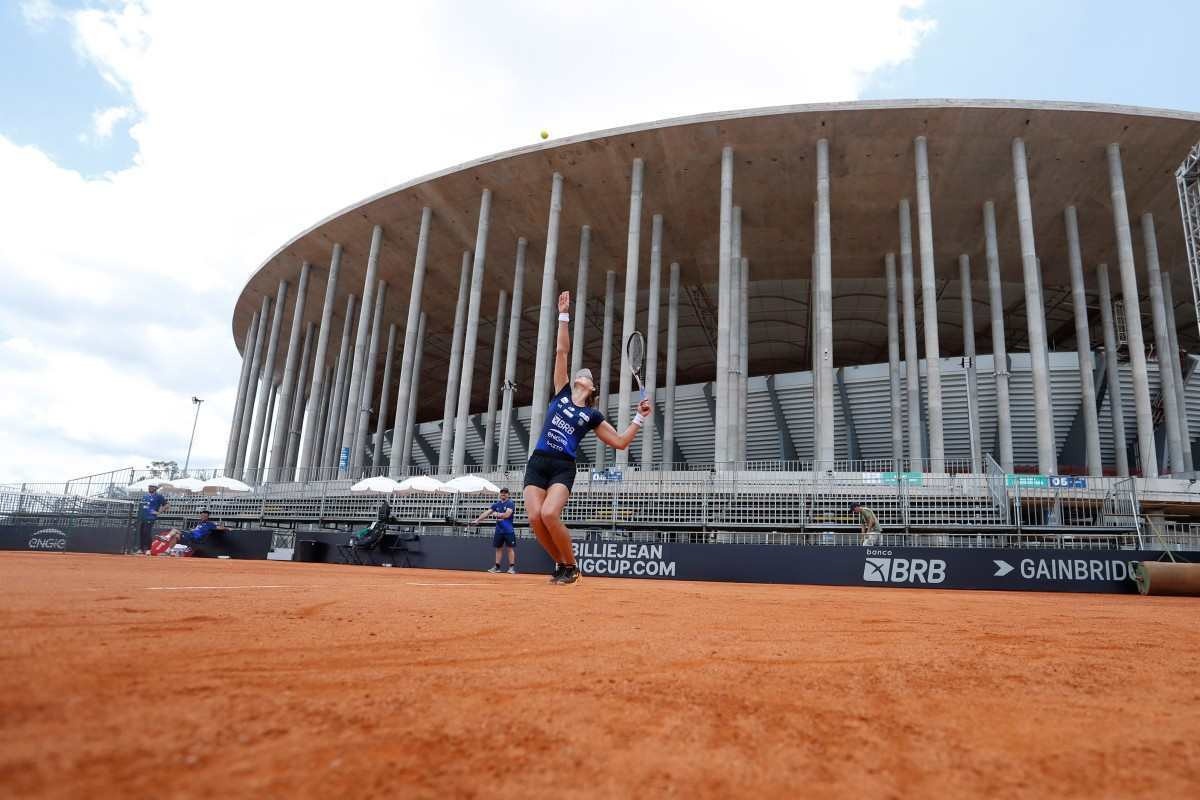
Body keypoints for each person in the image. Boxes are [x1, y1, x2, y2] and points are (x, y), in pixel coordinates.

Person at [524, 291, 651, 585]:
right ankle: (561, 564)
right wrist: (563, 315)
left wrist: (640, 417)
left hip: (563, 466)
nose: (583, 375)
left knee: (550, 514)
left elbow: (620, 442)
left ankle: (573, 566)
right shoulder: (562, 392)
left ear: (592, 389)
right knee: (534, 518)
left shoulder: (592, 416)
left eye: (588, 376)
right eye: (581, 373)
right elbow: (562, 352)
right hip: (538, 461)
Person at [473, 488, 517, 573]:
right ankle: (497, 567)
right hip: (499, 530)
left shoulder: (510, 503)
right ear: (500, 494)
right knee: (498, 548)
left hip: (508, 530)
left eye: (505, 493)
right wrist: (478, 520)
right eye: (502, 493)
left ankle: (511, 568)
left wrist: (496, 514)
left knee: (510, 549)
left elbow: (507, 515)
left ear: (508, 494)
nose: (503, 494)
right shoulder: (496, 504)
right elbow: (487, 513)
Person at [151, 510, 228, 556]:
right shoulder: (199, 523)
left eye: (205, 516)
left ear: (208, 517)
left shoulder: (210, 524)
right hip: (190, 535)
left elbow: (219, 528)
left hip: (195, 538)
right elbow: (197, 530)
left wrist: (227, 528)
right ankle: (167, 552)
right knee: (175, 536)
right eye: (202, 515)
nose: (203, 517)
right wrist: (192, 530)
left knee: (175, 530)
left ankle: (166, 538)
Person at [138, 484, 169, 553]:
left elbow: (167, 505)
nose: (150, 488)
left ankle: (148, 549)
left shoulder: (158, 496)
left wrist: (158, 512)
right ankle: (141, 549)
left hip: (150, 517)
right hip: (143, 516)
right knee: (142, 532)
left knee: (147, 532)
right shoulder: (145, 496)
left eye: (152, 487)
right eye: (149, 486)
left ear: (155, 488)